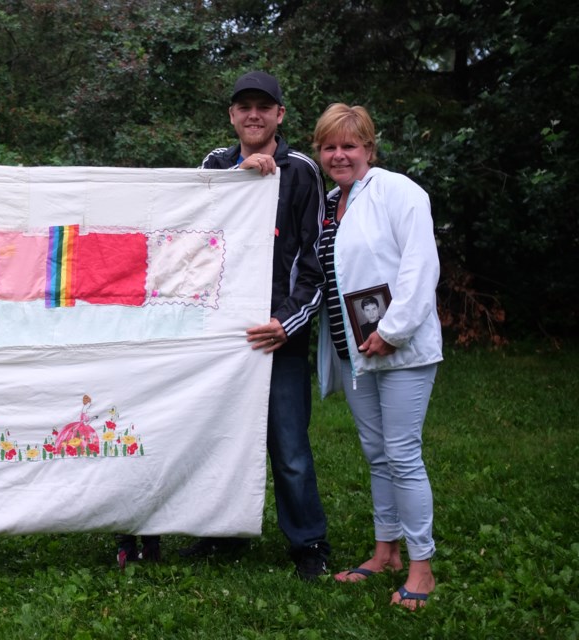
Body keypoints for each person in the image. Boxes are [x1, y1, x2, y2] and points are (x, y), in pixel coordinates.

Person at [175, 71, 331, 581]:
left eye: (264, 107)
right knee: (220, 437)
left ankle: (309, 542)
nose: (253, 115)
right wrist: (242, 174)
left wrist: (287, 323)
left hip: (277, 335)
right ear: (231, 115)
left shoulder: (304, 172)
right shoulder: (215, 166)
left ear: (280, 115)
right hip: (222, 337)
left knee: (288, 447)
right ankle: (223, 532)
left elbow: (315, 263)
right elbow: (197, 235)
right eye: (244, 107)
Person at [313, 103, 442, 609]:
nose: (339, 154)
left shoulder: (399, 192)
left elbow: (419, 267)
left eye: (349, 145)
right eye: (329, 146)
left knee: (403, 455)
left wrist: (392, 330)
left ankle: (421, 565)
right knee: (377, 454)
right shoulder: (328, 203)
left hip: (400, 349)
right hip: (354, 353)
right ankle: (385, 551)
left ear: (369, 147)